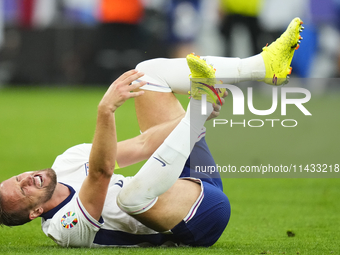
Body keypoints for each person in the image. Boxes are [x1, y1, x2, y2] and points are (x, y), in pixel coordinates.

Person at [0, 17, 304, 247]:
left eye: (18, 178)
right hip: (199, 217)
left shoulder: (65, 161)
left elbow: (144, 144)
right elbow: (101, 173)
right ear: (34, 212)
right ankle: (201, 104)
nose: (27, 179)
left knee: (146, 74)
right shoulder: (64, 228)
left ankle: (262, 66)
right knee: (129, 198)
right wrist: (105, 110)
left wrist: (197, 117)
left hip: (183, 177)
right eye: (24, 190)